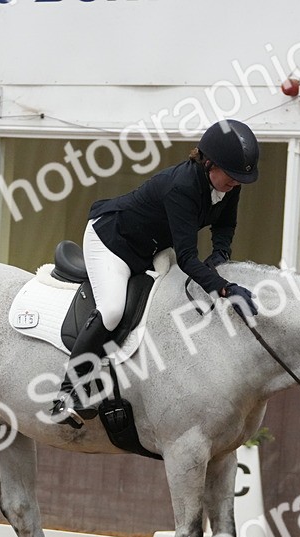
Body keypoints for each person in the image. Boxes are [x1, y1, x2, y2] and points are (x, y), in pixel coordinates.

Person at [50, 119, 261, 427]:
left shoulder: (227, 184)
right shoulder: (183, 187)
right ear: (209, 163)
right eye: (232, 176)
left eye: (240, 178)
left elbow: (225, 224)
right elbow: (188, 257)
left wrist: (221, 253)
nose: (236, 183)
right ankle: (67, 393)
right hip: (111, 242)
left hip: (149, 249)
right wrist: (225, 289)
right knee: (111, 310)